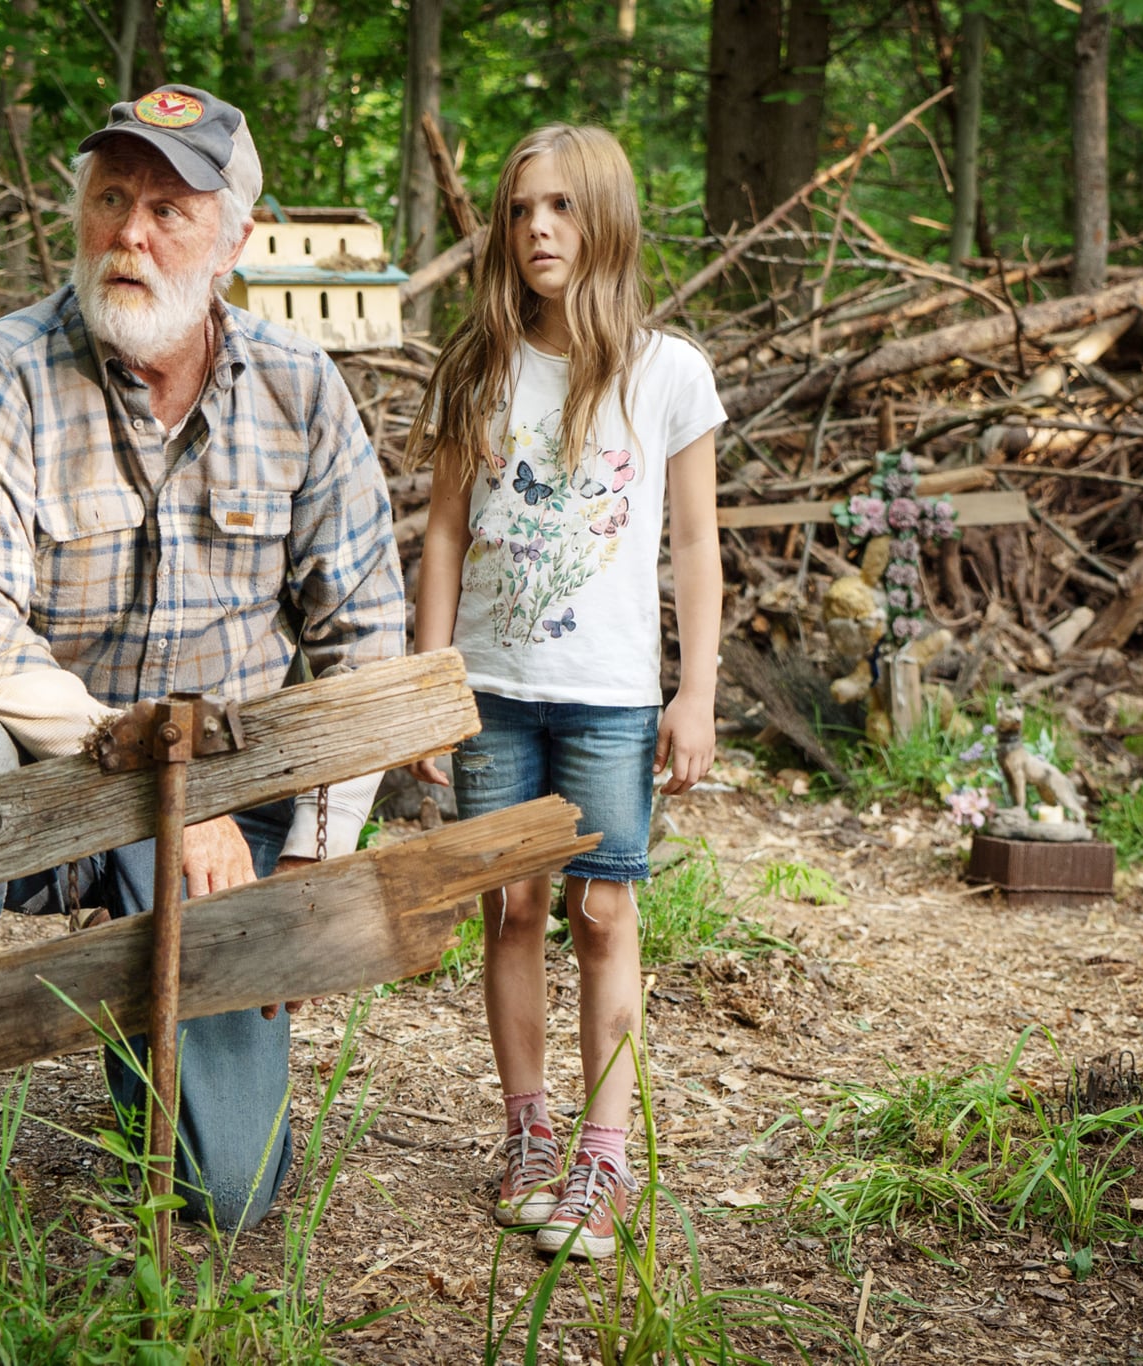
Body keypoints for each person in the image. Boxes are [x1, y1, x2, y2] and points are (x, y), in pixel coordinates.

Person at [0, 85, 404, 1268]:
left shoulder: (300, 390)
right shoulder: (0, 375)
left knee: (229, 1194)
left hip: (226, 820)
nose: (129, 233)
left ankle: (160, 1051)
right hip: (45, 778)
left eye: (168, 210)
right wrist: (147, 770)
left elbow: (367, 642)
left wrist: (308, 864)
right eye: (109, 198)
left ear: (235, 242)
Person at [409, 124, 724, 1260]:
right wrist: (431, 683)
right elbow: (443, 533)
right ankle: (528, 1131)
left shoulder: (667, 370)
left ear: (605, 218)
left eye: (559, 206)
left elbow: (693, 542)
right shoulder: (481, 364)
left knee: (602, 913)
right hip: (490, 690)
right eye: (518, 210)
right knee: (512, 908)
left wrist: (694, 694)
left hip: (607, 698)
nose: (536, 228)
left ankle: (603, 1154)